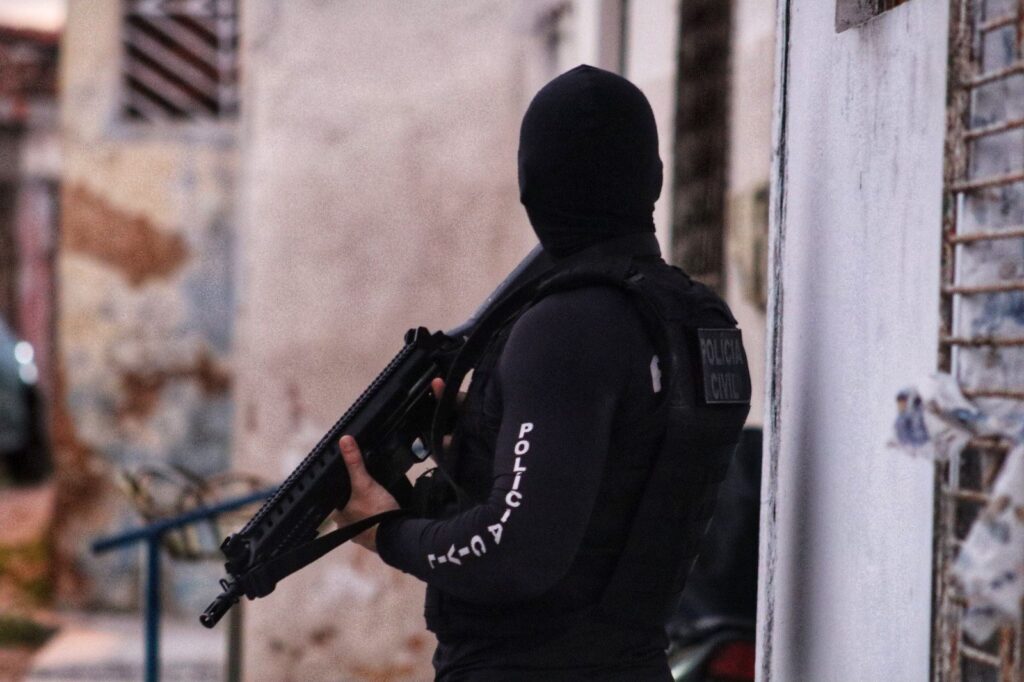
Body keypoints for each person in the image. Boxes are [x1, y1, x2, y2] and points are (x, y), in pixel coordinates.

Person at [333, 64, 750, 681]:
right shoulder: (701, 322)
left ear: (529, 187)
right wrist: (484, 437)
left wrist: (386, 532)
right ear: (656, 178)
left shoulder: (566, 326)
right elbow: (623, 479)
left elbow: (515, 552)